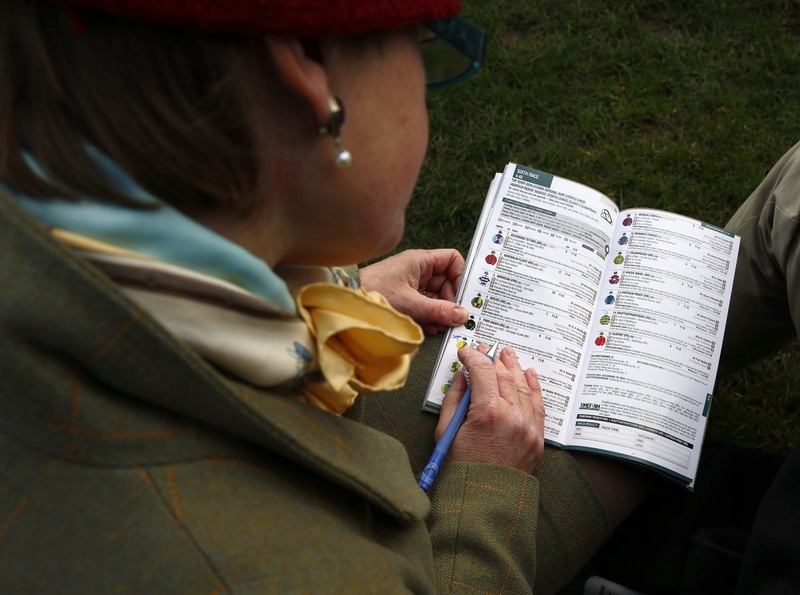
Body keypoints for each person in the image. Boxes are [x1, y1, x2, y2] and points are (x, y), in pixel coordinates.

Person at [0, 1, 645, 592]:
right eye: (423, 44)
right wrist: (487, 489)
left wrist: (340, 289)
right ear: (307, 67)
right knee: (645, 423)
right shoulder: (309, 570)